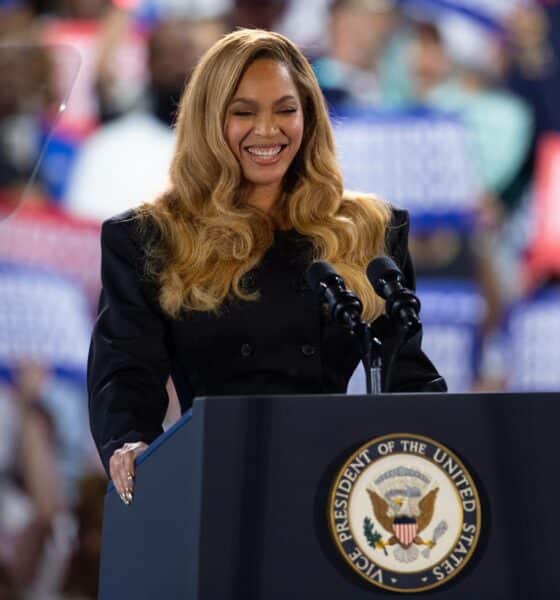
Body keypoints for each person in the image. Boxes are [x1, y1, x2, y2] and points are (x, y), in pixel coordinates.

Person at [87, 28, 446, 506]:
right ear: (209, 120)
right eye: (243, 112)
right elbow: (126, 372)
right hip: (213, 484)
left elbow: (408, 375)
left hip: (339, 487)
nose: (267, 129)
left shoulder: (369, 229)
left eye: (285, 109)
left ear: (309, 118)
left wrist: (444, 444)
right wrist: (131, 445)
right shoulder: (150, 237)